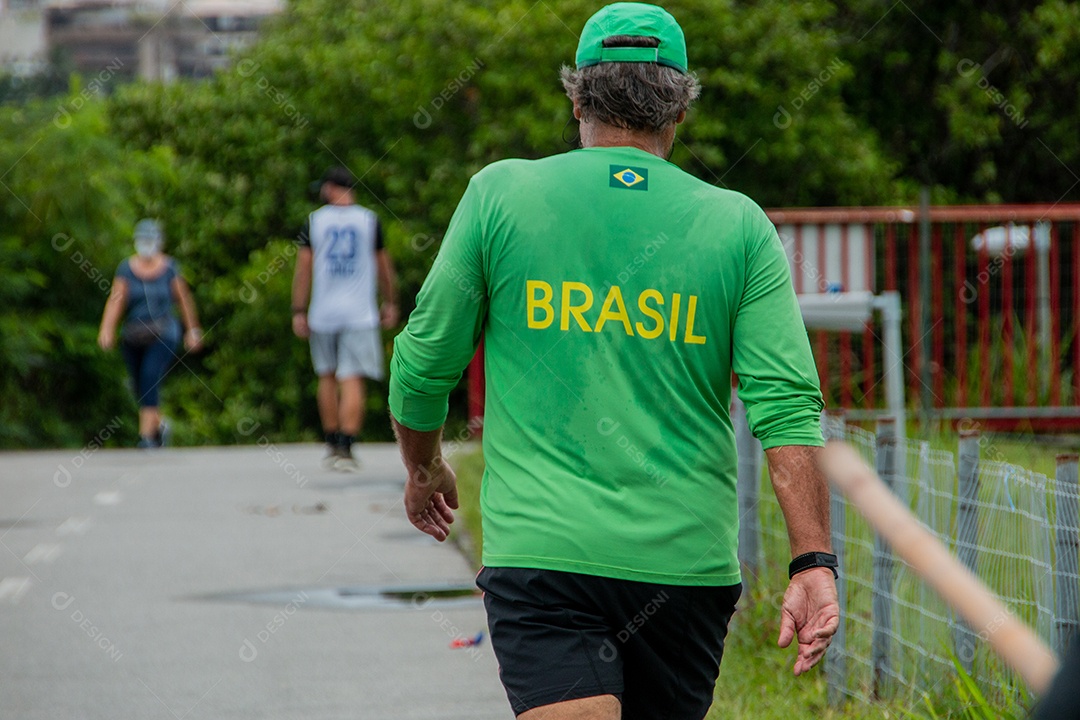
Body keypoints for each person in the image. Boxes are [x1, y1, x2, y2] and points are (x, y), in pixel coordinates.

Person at [389, 3, 839, 718]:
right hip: (683, 569)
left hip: (544, 555)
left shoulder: (501, 195)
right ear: (681, 108)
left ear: (576, 97)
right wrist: (813, 561)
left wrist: (424, 468)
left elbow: (422, 364)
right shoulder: (737, 224)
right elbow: (786, 408)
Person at [292, 166, 399, 471]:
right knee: (352, 377)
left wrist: (298, 309)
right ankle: (348, 445)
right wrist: (390, 301)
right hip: (359, 313)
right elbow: (384, 267)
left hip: (323, 312)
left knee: (326, 374)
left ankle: (332, 440)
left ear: (330, 188)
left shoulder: (314, 221)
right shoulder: (369, 220)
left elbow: (303, 269)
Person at [98, 219, 203, 448]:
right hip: (134, 334)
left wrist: (192, 330)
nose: (146, 244)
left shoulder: (170, 268)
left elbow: (184, 300)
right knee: (138, 384)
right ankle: (160, 424)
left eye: (150, 240)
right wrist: (107, 329)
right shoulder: (126, 269)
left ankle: (146, 437)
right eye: (143, 240)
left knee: (149, 376)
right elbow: (116, 300)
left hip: (164, 331)